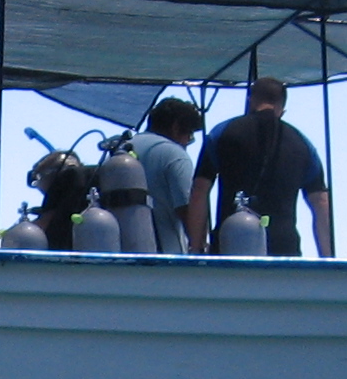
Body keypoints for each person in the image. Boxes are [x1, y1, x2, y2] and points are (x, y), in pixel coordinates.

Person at [187, 78, 334, 257]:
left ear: (250, 101)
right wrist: (327, 258)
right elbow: (320, 202)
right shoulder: (302, 144)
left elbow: (200, 190)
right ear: (282, 109)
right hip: (283, 249)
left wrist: (196, 248)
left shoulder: (222, 133)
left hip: (230, 244)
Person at [132, 97, 204, 255]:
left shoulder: (122, 149)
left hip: (122, 257)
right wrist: (201, 248)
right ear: (176, 127)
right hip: (166, 257)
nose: (187, 143)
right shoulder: (174, 154)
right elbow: (188, 211)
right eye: (189, 135)